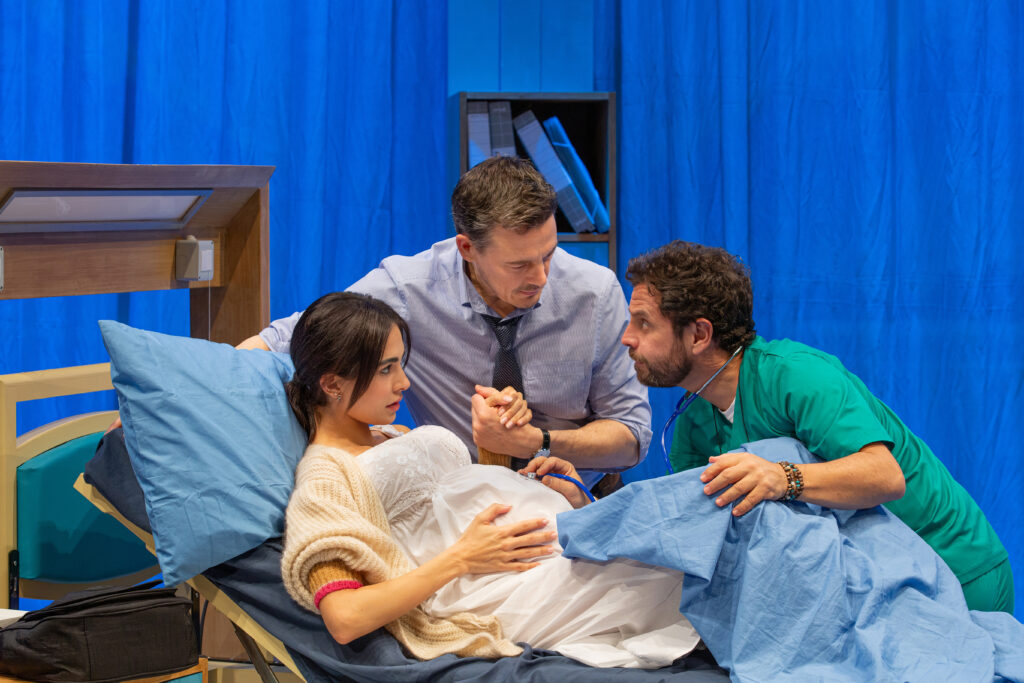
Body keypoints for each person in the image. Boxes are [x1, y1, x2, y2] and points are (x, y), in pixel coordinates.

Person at [280, 291, 701, 668]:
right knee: (674, 571)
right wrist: (463, 558)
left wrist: (506, 446)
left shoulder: (392, 434)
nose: (403, 383)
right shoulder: (324, 477)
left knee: (677, 544)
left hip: (540, 547)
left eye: (400, 364)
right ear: (332, 384)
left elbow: (450, 504)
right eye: (386, 369)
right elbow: (345, 618)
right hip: (487, 588)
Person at [618, 240, 1014, 614]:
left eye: (644, 323)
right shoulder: (695, 419)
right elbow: (699, 527)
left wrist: (782, 477)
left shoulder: (796, 376)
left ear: (700, 335)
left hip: (952, 568)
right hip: (869, 577)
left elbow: (885, 476)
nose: (626, 338)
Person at [242, 156, 651, 482]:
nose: (542, 277)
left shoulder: (595, 293)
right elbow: (280, 342)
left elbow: (632, 437)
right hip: (462, 501)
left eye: (548, 255)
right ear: (467, 248)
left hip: (573, 497)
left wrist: (536, 441)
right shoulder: (407, 289)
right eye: (519, 265)